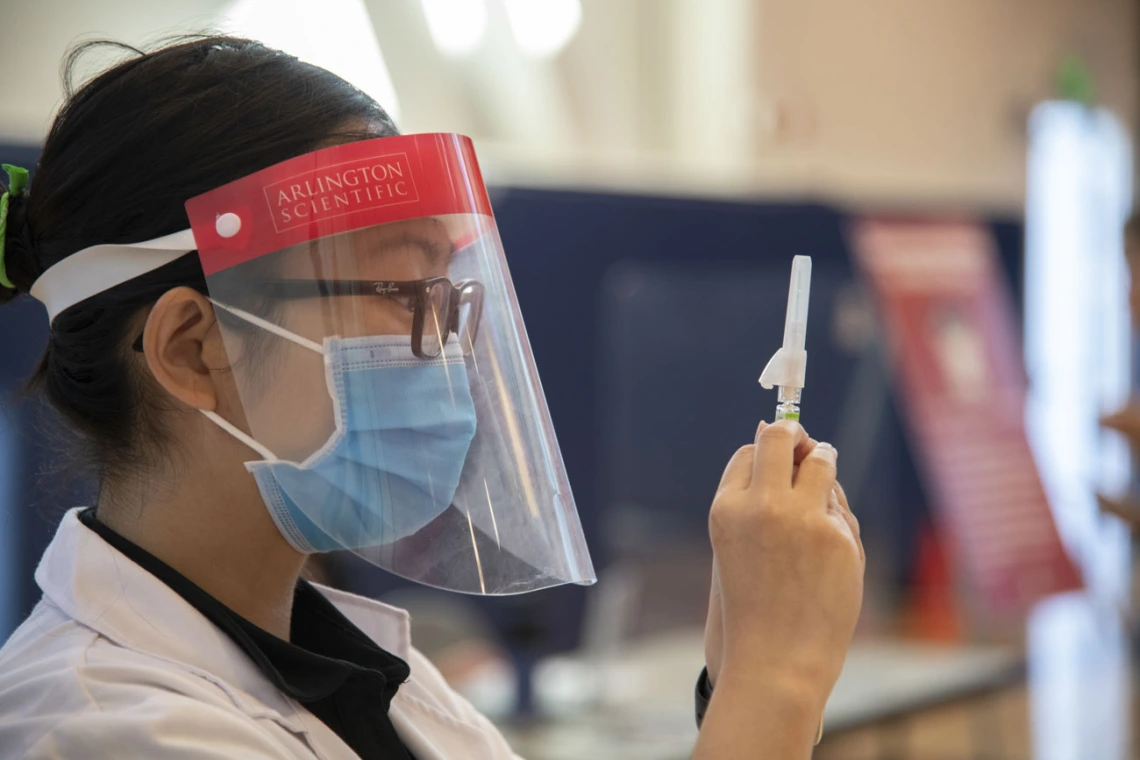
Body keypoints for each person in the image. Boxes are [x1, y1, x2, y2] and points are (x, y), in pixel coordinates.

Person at [0, 36, 864, 760]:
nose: (441, 353)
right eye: (398, 298)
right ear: (194, 350)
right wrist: (773, 687)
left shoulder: (366, 675)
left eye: (448, 303)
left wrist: (731, 680)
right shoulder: (100, 726)